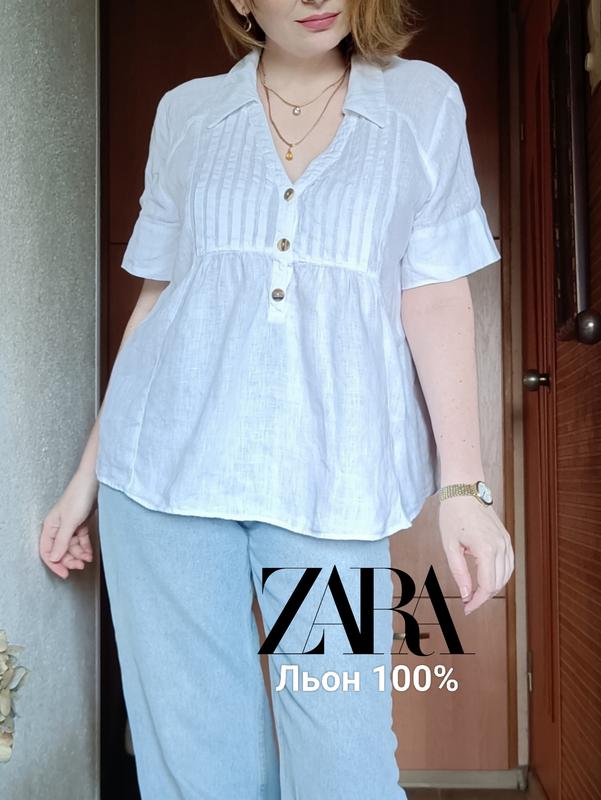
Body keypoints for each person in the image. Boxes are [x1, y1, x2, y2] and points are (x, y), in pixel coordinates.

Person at [39, 0, 515, 797]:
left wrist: (463, 489)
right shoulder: (187, 113)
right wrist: (84, 479)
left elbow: (434, 294)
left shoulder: (421, 101)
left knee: (344, 763)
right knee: (200, 768)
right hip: (162, 482)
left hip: (332, 483)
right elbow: (158, 299)